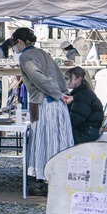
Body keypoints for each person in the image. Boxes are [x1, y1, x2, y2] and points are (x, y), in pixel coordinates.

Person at [11, 27, 74, 193]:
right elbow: (59, 76)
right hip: (57, 104)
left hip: (45, 104)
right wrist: (63, 93)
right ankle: (58, 178)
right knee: (59, 142)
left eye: (15, 44)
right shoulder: (44, 53)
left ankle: (47, 180)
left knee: (46, 143)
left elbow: (38, 78)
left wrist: (58, 94)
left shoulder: (25, 56)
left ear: (19, 41)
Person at [66, 66, 104, 144]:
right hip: (88, 131)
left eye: (67, 78)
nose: (65, 81)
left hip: (85, 133)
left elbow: (75, 120)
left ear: (78, 79)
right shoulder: (81, 93)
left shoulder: (83, 96)